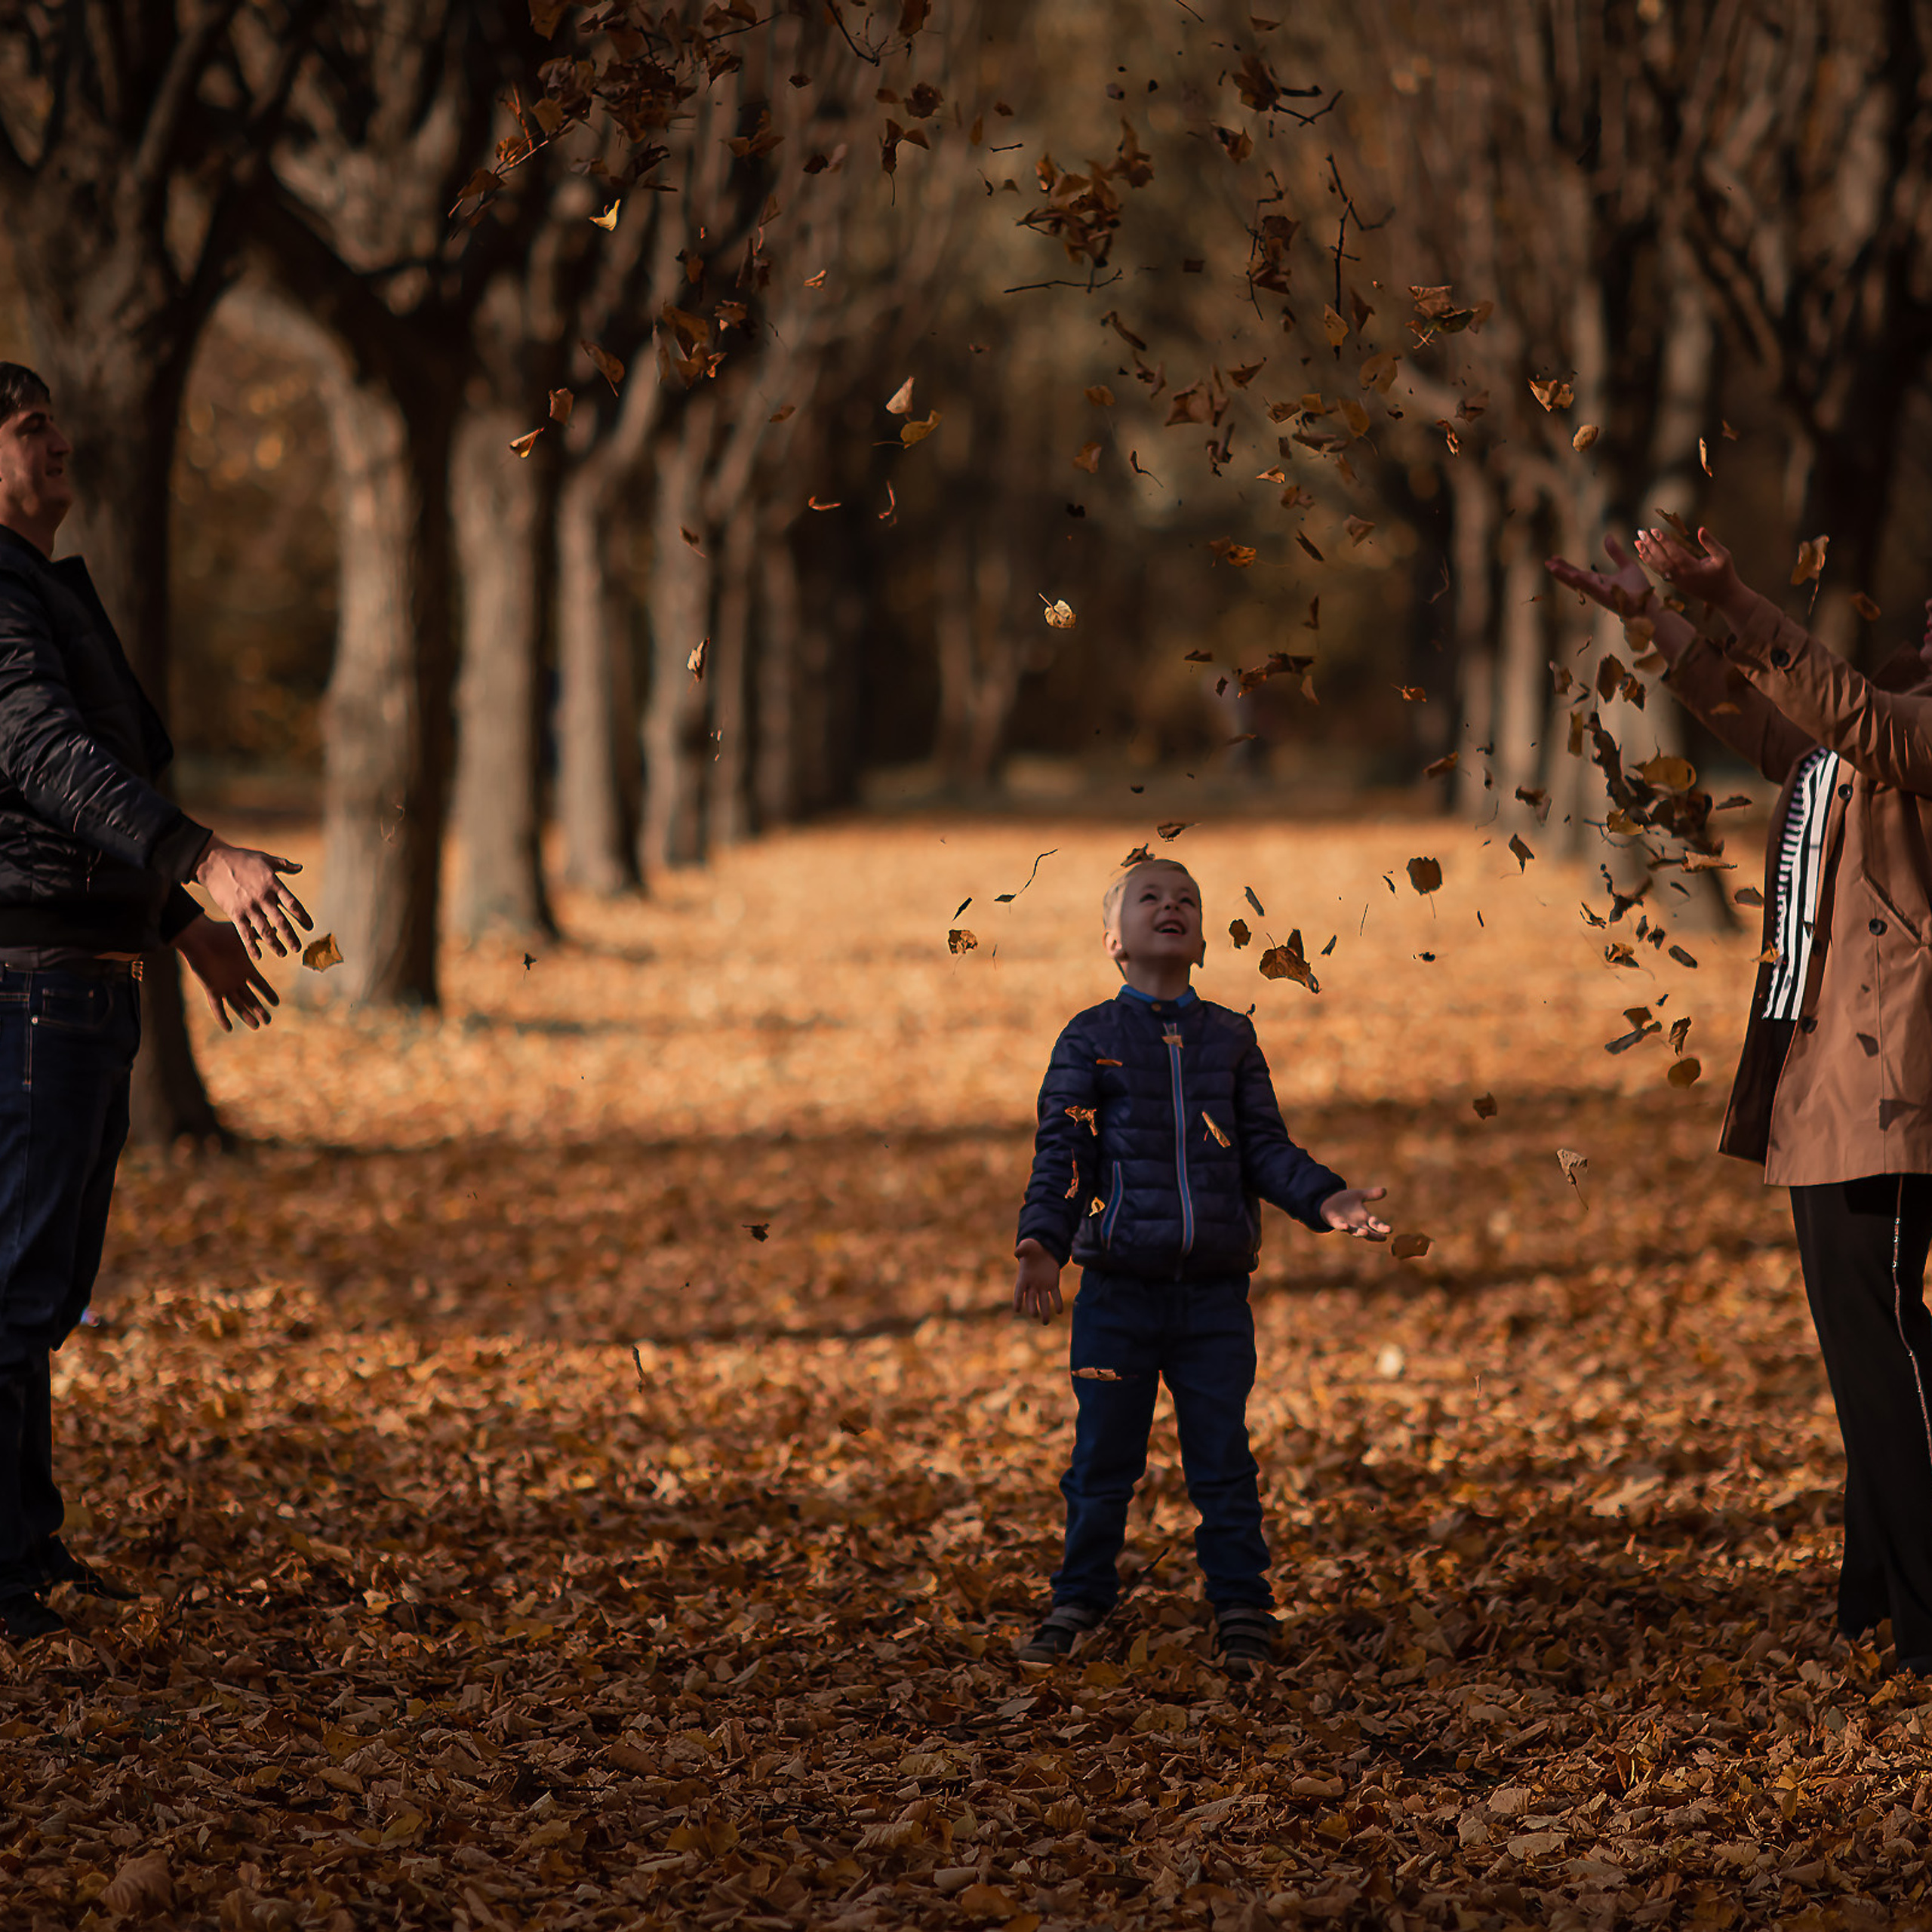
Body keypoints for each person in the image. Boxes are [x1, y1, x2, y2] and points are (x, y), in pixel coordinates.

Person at [1549, 524, 1932, 1672]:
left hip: (1898, 1075)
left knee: (1889, 1344)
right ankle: (1879, 1598)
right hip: (1826, 1071)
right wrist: (1651, 619)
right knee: (1861, 1344)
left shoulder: (1910, 728)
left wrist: (1738, 595)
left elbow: (1860, 724)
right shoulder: (1887, 716)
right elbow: (1777, 730)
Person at [0, 362, 312, 1642]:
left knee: (44, 1290)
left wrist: (178, 923)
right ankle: (5, 1581)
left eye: (53, 417)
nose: (58, 439)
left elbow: (91, 763)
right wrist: (194, 858)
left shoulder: (36, 587)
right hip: (32, 992)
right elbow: (42, 756)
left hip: (79, 983)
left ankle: (24, 1557)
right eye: (26, 427)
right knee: (17, 1288)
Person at [1010, 857, 1390, 1675]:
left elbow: (1262, 1147)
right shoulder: (1090, 1038)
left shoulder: (1229, 1037)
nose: (1170, 906)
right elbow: (1064, 1151)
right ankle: (1079, 1599)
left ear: (1205, 935)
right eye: (1150, 897)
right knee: (1103, 1458)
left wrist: (1324, 1200)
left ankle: (1242, 1606)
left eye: (1186, 899)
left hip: (1215, 1299)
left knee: (1221, 1457)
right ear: (1114, 939)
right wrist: (1043, 1242)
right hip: (1115, 1293)